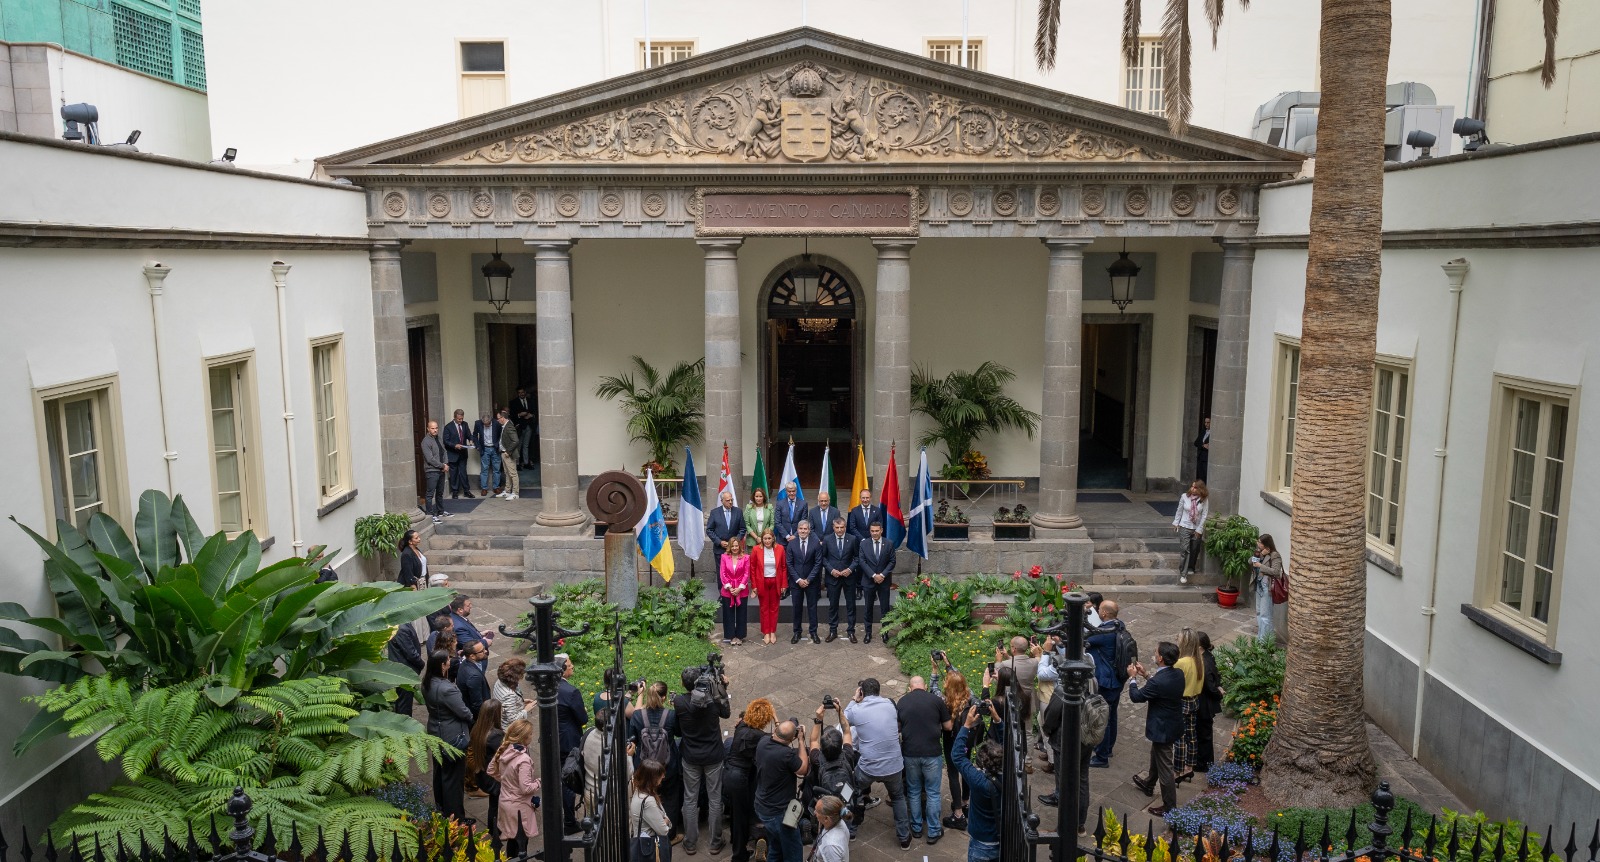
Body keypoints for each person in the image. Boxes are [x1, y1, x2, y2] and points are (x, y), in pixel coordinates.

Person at [844, 678, 910, 849]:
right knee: (898, 797)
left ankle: (851, 831)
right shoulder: (890, 704)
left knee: (852, 791)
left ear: (862, 692)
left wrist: (854, 698)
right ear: (879, 691)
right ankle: (904, 837)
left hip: (868, 767)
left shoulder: (856, 710)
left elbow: (844, 719)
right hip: (894, 765)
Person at [673, 663, 730, 855]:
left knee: (690, 799)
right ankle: (715, 841)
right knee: (715, 798)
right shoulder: (713, 702)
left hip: (690, 756)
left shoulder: (680, 703)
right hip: (713, 755)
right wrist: (723, 688)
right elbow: (726, 713)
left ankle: (690, 842)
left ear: (683, 684)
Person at [1128, 641, 1186, 816]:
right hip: (1173, 723)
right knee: (1157, 754)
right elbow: (1159, 687)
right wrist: (1146, 675)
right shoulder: (1178, 674)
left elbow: (1136, 696)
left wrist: (1132, 678)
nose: (1154, 654)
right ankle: (1149, 783)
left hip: (1162, 728)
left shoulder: (1158, 682)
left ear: (1160, 658)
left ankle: (1169, 806)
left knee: (1165, 768)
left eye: (1155, 652)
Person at [896, 675, 952, 845]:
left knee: (913, 791)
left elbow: (897, 727)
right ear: (925, 686)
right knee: (933, 792)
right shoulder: (936, 701)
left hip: (910, 753)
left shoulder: (902, 702)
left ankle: (917, 827)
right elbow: (948, 726)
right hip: (932, 753)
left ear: (909, 687)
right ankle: (934, 831)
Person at [630, 681, 684, 841]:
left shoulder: (638, 716)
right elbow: (679, 733)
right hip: (667, 766)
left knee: (646, 795)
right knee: (671, 797)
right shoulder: (671, 715)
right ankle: (670, 835)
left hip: (644, 766)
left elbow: (632, 736)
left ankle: (648, 832)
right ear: (665, 697)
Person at [422, 648, 471, 820]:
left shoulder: (427, 682)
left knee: (440, 774)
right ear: (443, 665)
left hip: (435, 730)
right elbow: (464, 712)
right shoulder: (447, 689)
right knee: (453, 779)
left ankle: (441, 809)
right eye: (448, 660)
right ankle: (456, 818)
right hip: (452, 737)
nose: (450, 662)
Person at [725, 698, 776, 862]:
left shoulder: (741, 727)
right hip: (740, 778)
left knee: (735, 811)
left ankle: (736, 841)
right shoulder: (759, 736)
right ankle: (738, 855)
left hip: (728, 774)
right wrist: (776, 719)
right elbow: (777, 737)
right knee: (741, 816)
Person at [951, 705, 1003, 862]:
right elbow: (1011, 746)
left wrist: (966, 725)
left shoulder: (980, 782)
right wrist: (998, 720)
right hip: (1003, 840)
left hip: (981, 843)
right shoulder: (1011, 775)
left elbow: (958, 756)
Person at [754, 719, 809, 862]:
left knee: (776, 846)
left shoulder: (763, 742)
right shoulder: (786, 754)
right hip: (780, 813)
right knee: (793, 851)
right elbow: (803, 769)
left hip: (762, 807)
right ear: (792, 739)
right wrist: (801, 741)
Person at [1085, 600, 1128, 767]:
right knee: (1112, 715)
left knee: (1103, 716)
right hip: (1117, 679)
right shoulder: (1120, 625)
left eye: (1099, 609)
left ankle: (1101, 756)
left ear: (1103, 614)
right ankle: (1108, 748)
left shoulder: (1104, 633)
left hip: (1106, 680)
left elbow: (1085, 639)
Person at [488, 718, 540, 855]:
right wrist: (539, 782)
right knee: (521, 844)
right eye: (530, 734)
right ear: (523, 737)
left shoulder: (505, 749)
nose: (532, 736)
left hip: (505, 802)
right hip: (519, 806)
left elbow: (491, 770)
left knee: (512, 840)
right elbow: (526, 788)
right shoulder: (523, 760)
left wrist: (506, 781)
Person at [933, 666, 971, 832]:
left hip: (951, 742)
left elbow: (933, 690)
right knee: (967, 771)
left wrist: (935, 670)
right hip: (966, 741)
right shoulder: (970, 700)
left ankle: (958, 814)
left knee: (953, 774)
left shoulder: (944, 701)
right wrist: (949, 666)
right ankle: (965, 802)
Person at [554, 654, 588, 833]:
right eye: (569, 665)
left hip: (555, 737)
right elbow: (582, 718)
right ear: (562, 671)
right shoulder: (571, 692)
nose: (572, 666)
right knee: (569, 778)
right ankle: (569, 822)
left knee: (560, 775)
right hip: (569, 741)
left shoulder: (550, 687)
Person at [805, 700, 855, 817]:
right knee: (847, 805)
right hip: (845, 792)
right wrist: (839, 712)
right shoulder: (847, 755)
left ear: (821, 746)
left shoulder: (817, 759)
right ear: (840, 744)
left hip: (826, 797)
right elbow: (847, 731)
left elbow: (813, 740)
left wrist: (818, 719)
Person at [821, 518, 860, 643]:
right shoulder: (827, 539)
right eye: (837, 527)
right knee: (833, 605)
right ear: (833, 527)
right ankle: (833, 631)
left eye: (842, 527)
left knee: (851, 606)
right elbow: (823, 558)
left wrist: (850, 569)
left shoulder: (853, 539)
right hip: (833, 577)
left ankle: (851, 631)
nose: (839, 530)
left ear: (845, 527)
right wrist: (831, 570)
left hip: (849, 578)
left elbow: (857, 557)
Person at [1173, 627, 1204, 782]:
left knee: (1179, 738)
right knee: (1191, 736)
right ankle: (1189, 767)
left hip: (1182, 701)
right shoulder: (1198, 660)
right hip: (1194, 700)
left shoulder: (1181, 663)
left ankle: (1177, 771)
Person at [856, 522, 895, 645]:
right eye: (872, 531)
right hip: (869, 581)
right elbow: (862, 562)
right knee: (868, 608)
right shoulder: (864, 544)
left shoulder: (889, 543)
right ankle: (868, 633)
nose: (874, 533)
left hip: (884, 581)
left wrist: (882, 575)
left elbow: (892, 562)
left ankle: (885, 633)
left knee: (885, 608)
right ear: (870, 531)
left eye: (877, 531)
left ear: (881, 530)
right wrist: (873, 575)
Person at [786, 520, 823, 645]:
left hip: (811, 582)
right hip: (796, 582)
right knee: (797, 608)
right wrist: (798, 579)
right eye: (801, 528)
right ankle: (797, 632)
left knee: (812, 607)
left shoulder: (816, 543)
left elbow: (818, 563)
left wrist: (808, 579)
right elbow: (789, 564)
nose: (803, 531)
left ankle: (813, 632)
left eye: (805, 529)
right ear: (797, 530)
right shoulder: (791, 544)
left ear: (809, 530)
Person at [630, 759, 674, 862]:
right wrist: (666, 821)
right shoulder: (648, 801)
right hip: (650, 846)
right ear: (651, 779)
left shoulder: (638, 789)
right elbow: (663, 830)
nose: (663, 777)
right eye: (660, 775)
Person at [466, 700, 505, 814]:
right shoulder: (495, 735)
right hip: (493, 778)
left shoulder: (477, 728)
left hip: (482, 775)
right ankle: (496, 828)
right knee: (497, 806)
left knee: (494, 804)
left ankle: (493, 827)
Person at [751, 530, 786, 644]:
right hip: (762, 581)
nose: (767, 541)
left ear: (773, 538)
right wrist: (754, 585)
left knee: (774, 607)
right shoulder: (756, 549)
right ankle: (766, 632)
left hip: (776, 581)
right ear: (762, 539)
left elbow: (784, 567)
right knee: (764, 608)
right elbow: (752, 568)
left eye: (769, 538)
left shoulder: (780, 548)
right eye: (765, 538)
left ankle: (772, 632)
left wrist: (784, 584)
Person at [1172, 479, 1210, 583]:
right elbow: (1179, 510)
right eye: (1192, 486)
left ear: (1201, 489)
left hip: (1196, 528)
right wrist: (1176, 522)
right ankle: (1183, 574)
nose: (1192, 489)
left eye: (1195, 487)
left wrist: (1199, 529)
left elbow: (1204, 515)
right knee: (1185, 550)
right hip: (1184, 526)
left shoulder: (1204, 499)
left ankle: (1190, 567)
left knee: (1194, 549)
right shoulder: (1184, 496)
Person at [387, 615, 425, 715]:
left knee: (403, 701)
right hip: (404, 670)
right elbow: (410, 653)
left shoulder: (401, 625)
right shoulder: (401, 629)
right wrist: (421, 663)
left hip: (402, 667)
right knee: (404, 703)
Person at [1197, 632, 1223, 772]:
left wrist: (1218, 692)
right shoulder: (1208, 656)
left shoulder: (1204, 662)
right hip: (1206, 703)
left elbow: (1209, 684)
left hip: (1204, 704)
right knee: (1203, 733)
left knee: (1204, 734)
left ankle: (1204, 764)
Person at [719, 535, 752, 645]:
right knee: (728, 614)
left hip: (741, 590)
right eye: (732, 546)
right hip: (728, 590)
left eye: (736, 546)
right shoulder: (724, 557)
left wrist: (739, 588)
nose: (734, 548)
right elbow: (722, 573)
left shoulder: (746, 557)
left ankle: (740, 636)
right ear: (729, 547)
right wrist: (729, 587)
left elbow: (747, 574)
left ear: (740, 546)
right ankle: (731, 636)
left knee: (741, 613)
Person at [1251, 534, 1284, 641]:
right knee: (1259, 612)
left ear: (1266, 544)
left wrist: (1261, 566)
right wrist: (1260, 555)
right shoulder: (1260, 552)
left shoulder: (1275, 555)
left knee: (1266, 615)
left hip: (1267, 587)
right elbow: (1250, 561)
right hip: (1259, 585)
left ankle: (1265, 642)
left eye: (1260, 542)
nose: (1258, 544)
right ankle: (1261, 638)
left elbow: (1276, 571)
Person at [707, 490, 747, 570]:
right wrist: (719, 542)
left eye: (732, 500)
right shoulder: (714, 513)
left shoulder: (738, 512)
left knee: (735, 571)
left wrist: (735, 542)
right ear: (722, 501)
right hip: (720, 549)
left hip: (735, 549)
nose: (731, 502)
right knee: (721, 572)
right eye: (728, 500)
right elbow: (709, 530)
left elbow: (742, 529)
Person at [442, 409, 475, 499]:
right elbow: (445, 441)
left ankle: (466, 491)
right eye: (459, 419)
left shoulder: (465, 424)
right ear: (455, 417)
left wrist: (471, 440)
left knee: (463, 472)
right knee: (454, 473)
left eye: (462, 418)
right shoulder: (448, 427)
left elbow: (469, 434)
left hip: (463, 453)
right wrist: (454, 445)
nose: (460, 420)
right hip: (453, 454)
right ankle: (455, 491)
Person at [456, 637, 492, 721]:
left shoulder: (466, 663)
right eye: (482, 651)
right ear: (472, 656)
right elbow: (477, 704)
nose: (485, 651)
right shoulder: (474, 676)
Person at [420, 421, 448, 524]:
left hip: (441, 470)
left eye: (436, 428)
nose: (435, 430)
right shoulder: (425, 441)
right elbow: (430, 459)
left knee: (440, 492)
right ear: (428, 429)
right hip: (432, 471)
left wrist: (445, 463)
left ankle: (440, 511)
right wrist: (442, 465)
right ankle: (430, 514)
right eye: (432, 428)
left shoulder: (439, 438)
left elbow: (444, 451)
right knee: (430, 494)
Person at [492, 658, 532, 729]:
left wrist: (521, 701)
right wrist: (526, 709)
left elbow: (505, 704)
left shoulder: (500, 681)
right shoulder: (509, 695)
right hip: (510, 728)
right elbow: (513, 719)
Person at [810, 795, 851, 862]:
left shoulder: (830, 846)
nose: (814, 812)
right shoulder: (839, 821)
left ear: (826, 818)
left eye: (817, 811)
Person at [474, 411, 503, 496]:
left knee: (496, 469)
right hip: (484, 449)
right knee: (484, 469)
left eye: (488, 424)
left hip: (495, 448)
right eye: (484, 424)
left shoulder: (496, 423)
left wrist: (498, 445)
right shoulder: (478, 423)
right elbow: (474, 435)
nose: (486, 425)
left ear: (491, 421)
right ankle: (484, 488)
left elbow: (501, 435)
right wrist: (478, 446)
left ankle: (496, 487)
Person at [496, 410, 520, 500]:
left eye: (498, 418)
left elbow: (516, 440)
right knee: (507, 473)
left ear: (503, 418)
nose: (497, 420)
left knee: (513, 473)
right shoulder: (504, 426)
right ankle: (507, 491)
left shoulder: (509, 426)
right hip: (503, 453)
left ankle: (515, 493)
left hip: (508, 454)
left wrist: (508, 451)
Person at [510, 387, 536, 469]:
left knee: (526, 445)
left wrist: (531, 415)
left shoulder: (531, 400)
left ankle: (526, 462)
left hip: (529, 426)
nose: (521, 394)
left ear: (525, 392)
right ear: (517, 393)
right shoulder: (513, 402)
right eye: (519, 392)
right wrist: (519, 415)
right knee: (518, 445)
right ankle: (517, 464)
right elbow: (512, 415)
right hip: (520, 427)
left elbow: (536, 411)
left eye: (522, 392)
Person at [1193, 416, 1211, 482]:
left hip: (1206, 458)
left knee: (1206, 476)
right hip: (1200, 457)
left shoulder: (1213, 434)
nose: (1206, 424)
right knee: (1200, 476)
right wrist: (1203, 445)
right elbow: (1196, 443)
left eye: (1208, 422)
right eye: (1205, 422)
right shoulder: (1203, 432)